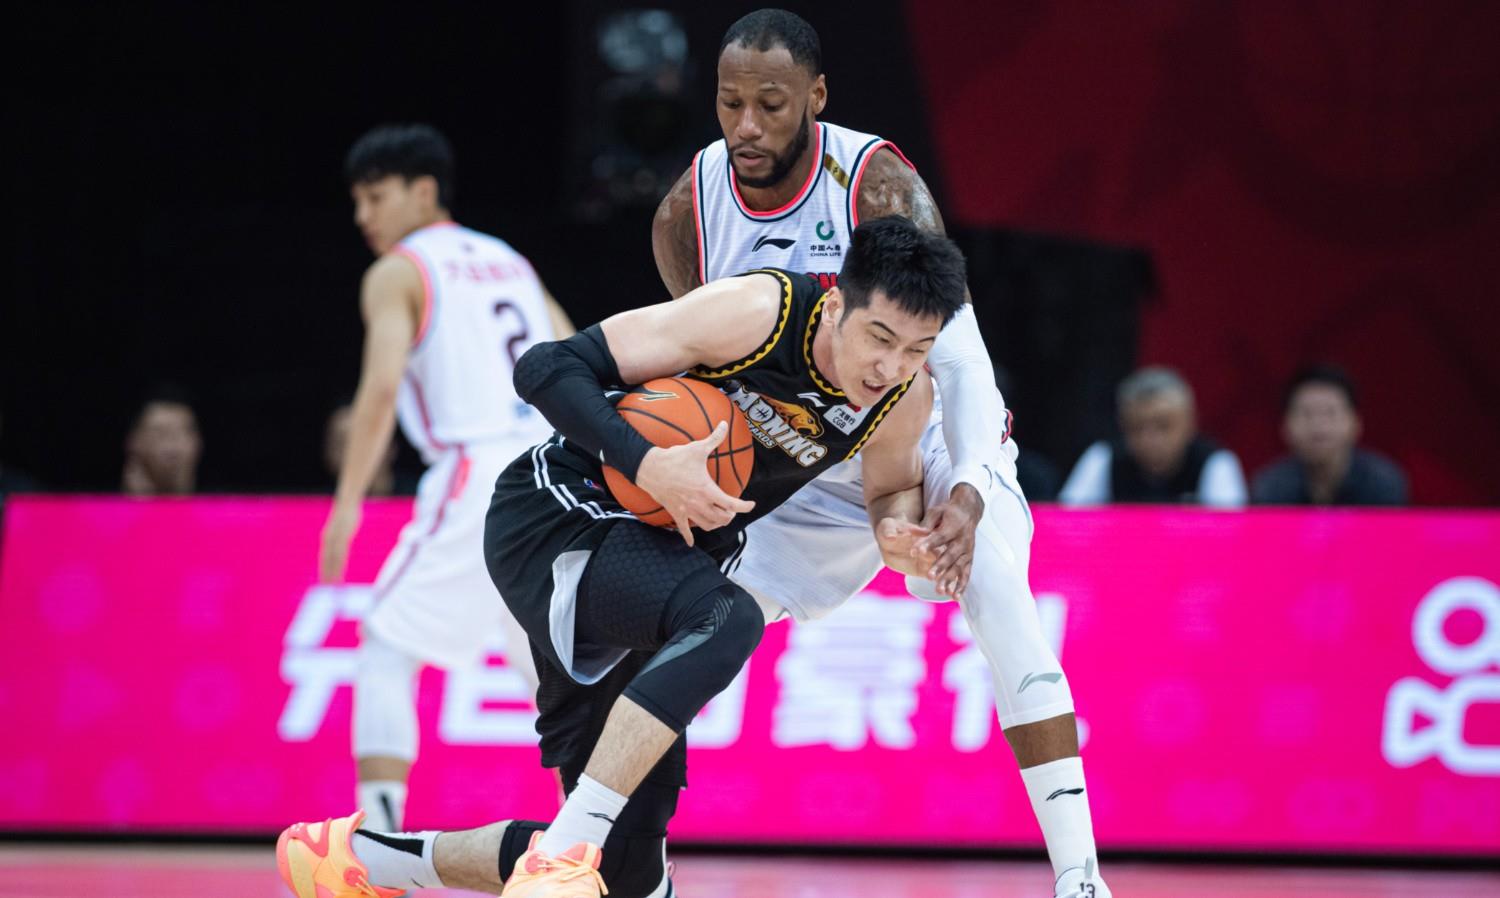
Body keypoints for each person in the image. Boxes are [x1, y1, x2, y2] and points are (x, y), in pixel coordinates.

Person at [277, 216, 966, 898]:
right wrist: (648, 464)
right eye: (880, 337)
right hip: (556, 510)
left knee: (628, 869)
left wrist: (896, 536)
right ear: (838, 304)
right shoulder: (759, 313)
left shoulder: (903, 397)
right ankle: (566, 848)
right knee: (728, 619)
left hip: (652, 561)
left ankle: (366, 861)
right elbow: (546, 366)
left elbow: (891, 491)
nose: (890, 366)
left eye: (916, 349)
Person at [650, 11, 1107, 897]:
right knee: (683, 635)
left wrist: (967, 488)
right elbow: (706, 364)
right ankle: (629, 864)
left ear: (816, 98)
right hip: (807, 457)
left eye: (771, 104)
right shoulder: (687, 210)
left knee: (1002, 604)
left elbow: (960, 356)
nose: (747, 125)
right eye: (730, 103)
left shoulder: (874, 182)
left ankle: (1081, 877)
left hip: (923, 430)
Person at [322, 123, 575, 834]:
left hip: (480, 471)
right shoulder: (509, 260)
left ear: (423, 191)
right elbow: (573, 357)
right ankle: (603, 849)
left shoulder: (398, 270)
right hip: (552, 470)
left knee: (386, 645)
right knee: (556, 680)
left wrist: (346, 504)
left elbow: (379, 390)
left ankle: (378, 845)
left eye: (375, 197)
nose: (363, 216)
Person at [1059, 366, 1246, 507]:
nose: (1150, 439)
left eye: (1164, 426)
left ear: (1190, 423)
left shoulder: (1215, 462)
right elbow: (1068, 521)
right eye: (1137, 427)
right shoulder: (1103, 458)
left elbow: (1231, 531)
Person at [1251, 364, 1408, 505]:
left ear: (1356, 423)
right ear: (1285, 426)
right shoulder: (1270, 487)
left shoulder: (1382, 482)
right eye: (1307, 414)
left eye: (1330, 413)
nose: (1318, 426)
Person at [121, 388, 202, 496]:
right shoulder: (103, 503)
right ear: (133, 441)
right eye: (160, 432)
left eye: (183, 431)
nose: (173, 441)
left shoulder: (221, 502)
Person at [324, 403, 406, 498]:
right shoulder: (318, 501)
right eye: (340, 444)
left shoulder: (417, 497)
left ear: (392, 446)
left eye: (360, 442)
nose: (350, 454)